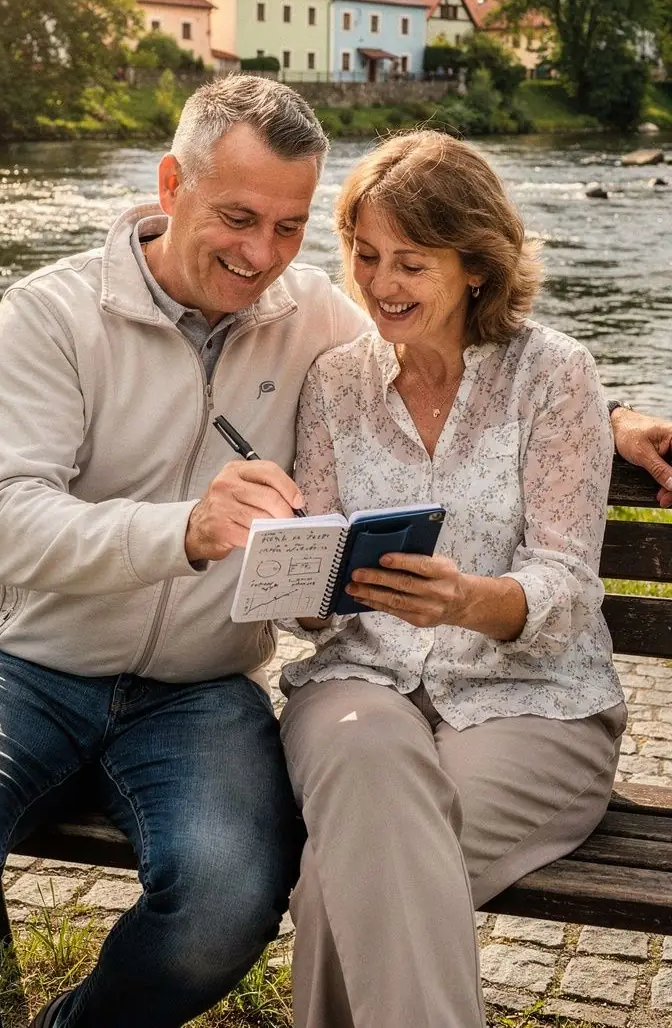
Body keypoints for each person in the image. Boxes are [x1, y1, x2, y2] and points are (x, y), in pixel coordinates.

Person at [0, 83, 668, 1028]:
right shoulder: (53, 314)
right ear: (171, 185)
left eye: (288, 227)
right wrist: (186, 532)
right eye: (238, 217)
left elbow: (472, 356)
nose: (261, 254)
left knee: (244, 890)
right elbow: (0, 520)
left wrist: (605, 419)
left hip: (198, 692)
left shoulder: (311, 314)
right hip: (27, 666)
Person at [278, 129, 651, 1028]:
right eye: (366, 256)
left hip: (535, 703)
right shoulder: (333, 382)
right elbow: (312, 602)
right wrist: (300, 583)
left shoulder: (555, 376)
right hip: (358, 686)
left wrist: (473, 601)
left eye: (411, 262)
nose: (379, 284)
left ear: (477, 266)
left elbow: (567, 586)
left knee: (340, 888)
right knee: (368, 779)